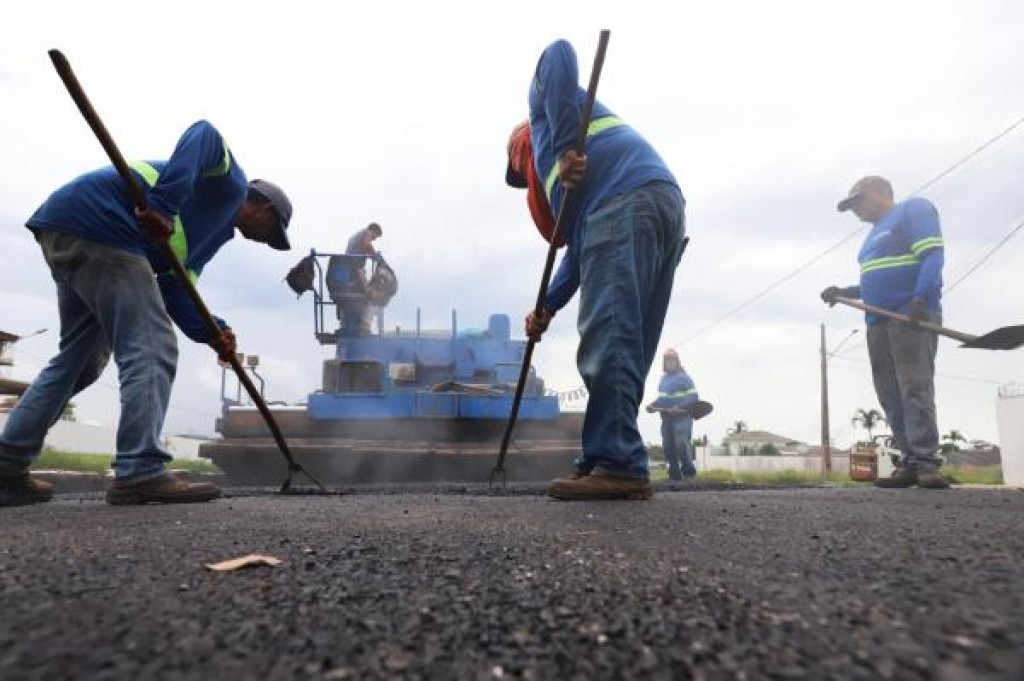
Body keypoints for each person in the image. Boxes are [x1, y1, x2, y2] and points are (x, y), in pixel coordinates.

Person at [0, 120, 293, 507]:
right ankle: (140, 470)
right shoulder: (231, 185)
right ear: (265, 209)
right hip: (105, 225)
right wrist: (163, 206)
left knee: (80, 360)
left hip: (68, 226)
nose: (267, 241)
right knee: (153, 346)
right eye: (273, 232)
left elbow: (176, 288)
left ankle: (6, 466)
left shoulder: (208, 237)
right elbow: (204, 133)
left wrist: (214, 332)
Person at [505, 39, 686, 501]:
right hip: (655, 205)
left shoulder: (545, 121)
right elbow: (582, 250)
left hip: (627, 203)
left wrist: (565, 146)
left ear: (520, 145)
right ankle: (603, 456)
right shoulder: (578, 181)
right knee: (628, 343)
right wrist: (547, 307)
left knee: (609, 335)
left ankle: (619, 464)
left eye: (520, 167)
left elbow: (558, 52)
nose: (525, 176)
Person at [821, 175, 948, 489]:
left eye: (857, 202)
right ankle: (909, 461)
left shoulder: (912, 210)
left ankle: (926, 463)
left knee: (914, 388)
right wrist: (844, 292)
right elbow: (875, 283)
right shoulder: (872, 236)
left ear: (879, 192)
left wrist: (919, 300)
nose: (855, 211)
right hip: (877, 322)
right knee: (889, 393)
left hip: (909, 316)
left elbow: (932, 256)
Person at [645, 349, 699, 490]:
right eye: (667, 360)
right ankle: (674, 476)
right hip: (666, 418)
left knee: (681, 443)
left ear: (677, 361)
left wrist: (679, 407)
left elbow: (694, 397)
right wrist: (653, 405)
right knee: (668, 446)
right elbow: (662, 399)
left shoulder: (684, 378)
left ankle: (689, 473)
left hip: (682, 417)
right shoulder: (663, 380)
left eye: (672, 359)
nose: (670, 362)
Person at [331, 222, 383, 336]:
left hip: (349, 269)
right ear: (372, 231)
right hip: (354, 269)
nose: (374, 239)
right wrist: (375, 256)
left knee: (353, 297)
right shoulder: (366, 234)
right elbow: (368, 246)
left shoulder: (358, 235)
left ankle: (347, 325)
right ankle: (364, 327)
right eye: (375, 236)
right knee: (369, 294)